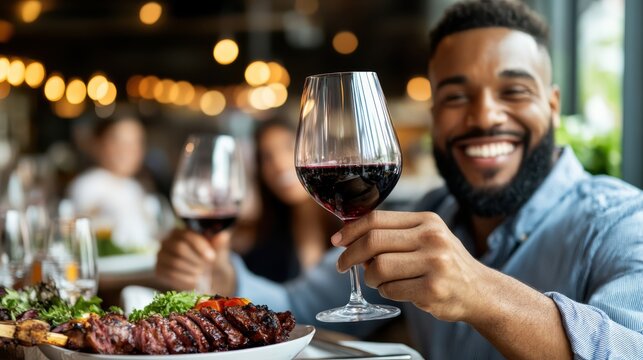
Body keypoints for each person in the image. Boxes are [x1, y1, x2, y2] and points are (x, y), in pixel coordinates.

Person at [154, 1, 643, 358]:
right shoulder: (428, 216)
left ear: (553, 104)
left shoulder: (622, 221)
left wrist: (482, 292)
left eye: (513, 90)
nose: (484, 115)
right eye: (455, 96)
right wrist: (220, 276)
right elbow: (298, 308)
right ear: (434, 113)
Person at [156, 118, 341, 288]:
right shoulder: (260, 239)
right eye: (267, 157)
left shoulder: (351, 225)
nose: (278, 163)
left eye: (289, 146)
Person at [68, 114, 158, 252]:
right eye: (118, 142)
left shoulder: (135, 187)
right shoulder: (87, 185)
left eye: (135, 143)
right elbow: (79, 228)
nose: (127, 150)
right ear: (98, 144)